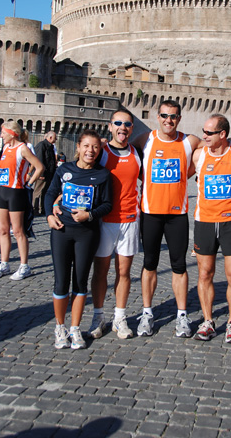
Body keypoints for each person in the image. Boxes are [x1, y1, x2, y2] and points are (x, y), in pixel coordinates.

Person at [132, 100, 201, 339]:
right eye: (164, 116)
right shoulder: (145, 139)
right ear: (157, 116)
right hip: (151, 213)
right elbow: (124, 153)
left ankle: (182, 315)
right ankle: (147, 313)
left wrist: (188, 173)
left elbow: (212, 148)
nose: (168, 120)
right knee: (149, 263)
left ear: (179, 118)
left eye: (173, 116)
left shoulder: (188, 141)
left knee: (179, 265)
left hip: (177, 215)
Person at [45, 130, 112, 350]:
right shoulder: (64, 170)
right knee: (61, 281)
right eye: (86, 146)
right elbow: (50, 193)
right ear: (78, 147)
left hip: (87, 233)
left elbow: (107, 204)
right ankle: (60, 327)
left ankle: (75, 328)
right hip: (62, 230)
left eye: (94, 147)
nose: (90, 151)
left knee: (81, 281)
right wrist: (48, 215)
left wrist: (89, 215)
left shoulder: (102, 175)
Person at [192, 114, 231, 343]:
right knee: (205, 273)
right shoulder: (198, 154)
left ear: (223, 134)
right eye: (203, 131)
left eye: (209, 133)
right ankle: (208, 320)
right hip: (204, 221)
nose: (204, 136)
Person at [88, 109, 142, 340]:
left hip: (130, 219)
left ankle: (120, 317)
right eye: (118, 123)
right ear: (110, 126)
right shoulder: (100, 152)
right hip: (103, 221)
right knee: (100, 271)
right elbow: (80, 173)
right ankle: (98, 316)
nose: (123, 127)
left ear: (132, 128)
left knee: (124, 272)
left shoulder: (137, 153)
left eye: (127, 124)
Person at [0, 121, 44, 280]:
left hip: (15, 193)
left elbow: (39, 166)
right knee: (3, 230)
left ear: (12, 133)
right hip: (1, 191)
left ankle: (24, 265)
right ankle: (4, 263)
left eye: (3, 133)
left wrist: (29, 182)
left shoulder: (23, 148)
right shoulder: (6, 148)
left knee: (19, 231)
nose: (1, 136)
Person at [33, 131, 57, 215]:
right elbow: (39, 159)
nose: (56, 139)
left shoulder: (50, 146)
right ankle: (35, 209)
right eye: (55, 138)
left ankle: (42, 208)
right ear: (50, 137)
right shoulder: (42, 145)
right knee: (38, 191)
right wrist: (41, 174)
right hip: (42, 174)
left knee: (45, 192)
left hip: (48, 174)